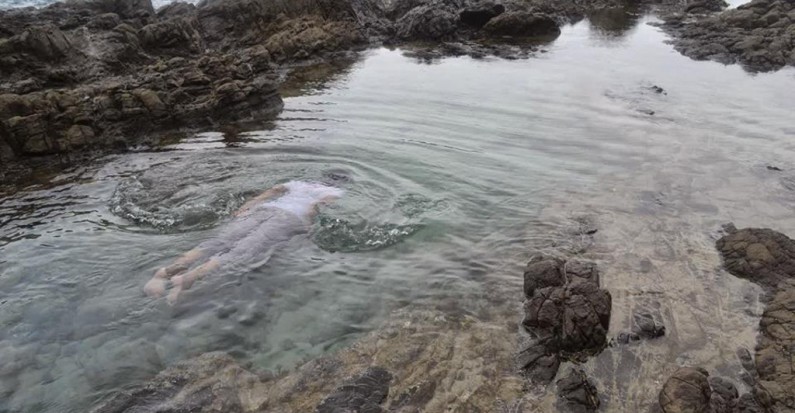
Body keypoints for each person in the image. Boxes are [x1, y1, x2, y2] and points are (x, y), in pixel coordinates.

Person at [144, 180, 344, 304]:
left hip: (264, 209)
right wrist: (309, 228)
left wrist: (246, 207)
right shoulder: (334, 191)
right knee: (244, 250)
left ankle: (163, 274)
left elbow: (270, 192)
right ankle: (190, 278)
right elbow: (314, 208)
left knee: (218, 241)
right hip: (288, 220)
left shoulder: (299, 183)